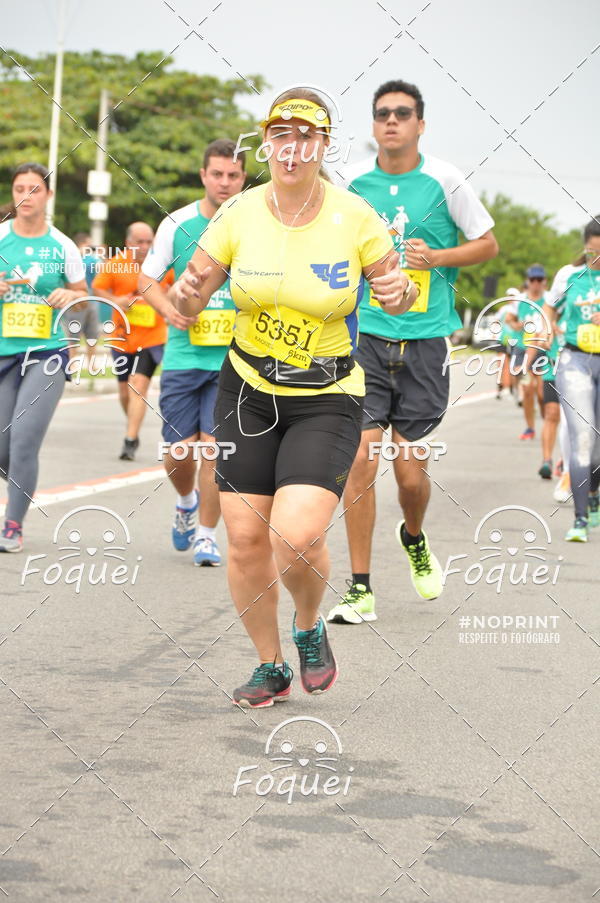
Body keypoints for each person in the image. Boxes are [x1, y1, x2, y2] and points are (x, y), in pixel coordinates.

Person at [172, 88, 417, 707]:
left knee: (298, 535)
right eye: (280, 134)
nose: (292, 147)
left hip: (326, 394)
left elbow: (399, 289)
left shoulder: (354, 216)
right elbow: (191, 293)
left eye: (305, 136)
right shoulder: (239, 214)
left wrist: (398, 293)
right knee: (247, 538)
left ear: (322, 145)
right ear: (268, 143)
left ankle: (307, 627)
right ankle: (270, 664)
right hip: (247, 390)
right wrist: (183, 295)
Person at [328, 78, 498, 624]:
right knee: (359, 460)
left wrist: (439, 258)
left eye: (403, 113)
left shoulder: (445, 180)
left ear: (420, 124)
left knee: (408, 476)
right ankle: (359, 587)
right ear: (374, 125)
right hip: (366, 338)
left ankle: (414, 535)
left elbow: (488, 244)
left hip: (425, 342)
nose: (392, 122)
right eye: (382, 114)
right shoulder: (350, 183)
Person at [140, 139, 246, 567]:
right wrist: (170, 310)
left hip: (234, 359)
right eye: (217, 174)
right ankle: (185, 500)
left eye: (233, 175)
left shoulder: (254, 224)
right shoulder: (177, 223)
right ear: (203, 175)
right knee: (178, 453)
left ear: (243, 179)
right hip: (184, 357)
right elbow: (147, 280)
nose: (224, 183)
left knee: (215, 450)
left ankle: (206, 535)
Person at [0, 162, 87, 551]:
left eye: (34, 189)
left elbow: (85, 302)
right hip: (3, 353)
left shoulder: (63, 245)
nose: (26, 196)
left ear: (48, 196)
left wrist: (71, 297)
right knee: (4, 446)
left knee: (23, 441)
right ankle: (20, 475)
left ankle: (12, 525)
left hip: (46, 354)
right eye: (20, 188)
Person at [93, 221, 172, 460]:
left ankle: (130, 439)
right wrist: (117, 300)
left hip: (152, 337)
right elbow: (98, 290)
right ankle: (133, 426)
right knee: (125, 390)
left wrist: (166, 297)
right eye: (140, 242)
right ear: (129, 243)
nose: (145, 246)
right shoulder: (116, 264)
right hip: (122, 335)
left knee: (139, 384)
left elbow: (175, 287)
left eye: (149, 242)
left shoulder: (163, 264)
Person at [544, 217, 600, 542]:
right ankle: (579, 519)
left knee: (597, 447)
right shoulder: (570, 275)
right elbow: (550, 309)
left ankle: (593, 494)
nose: (596, 260)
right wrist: (547, 324)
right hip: (575, 359)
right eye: (592, 252)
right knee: (582, 437)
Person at [504, 265, 549, 440]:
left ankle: (547, 423)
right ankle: (530, 427)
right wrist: (518, 325)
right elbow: (509, 320)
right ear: (528, 282)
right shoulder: (520, 300)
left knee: (541, 393)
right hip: (523, 347)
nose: (536, 284)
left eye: (539, 280)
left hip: (543, 348)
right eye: (532, 280)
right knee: (528, 389)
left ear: (544, 282)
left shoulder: (549, 299)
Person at [61, 232, 101, 369]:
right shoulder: (72, 257)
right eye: (87, 245)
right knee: (74, 332)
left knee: (92, 333)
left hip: (91, 296)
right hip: (76, 297)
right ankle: (72, 362)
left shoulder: (92, 260)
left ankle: (92, 363)